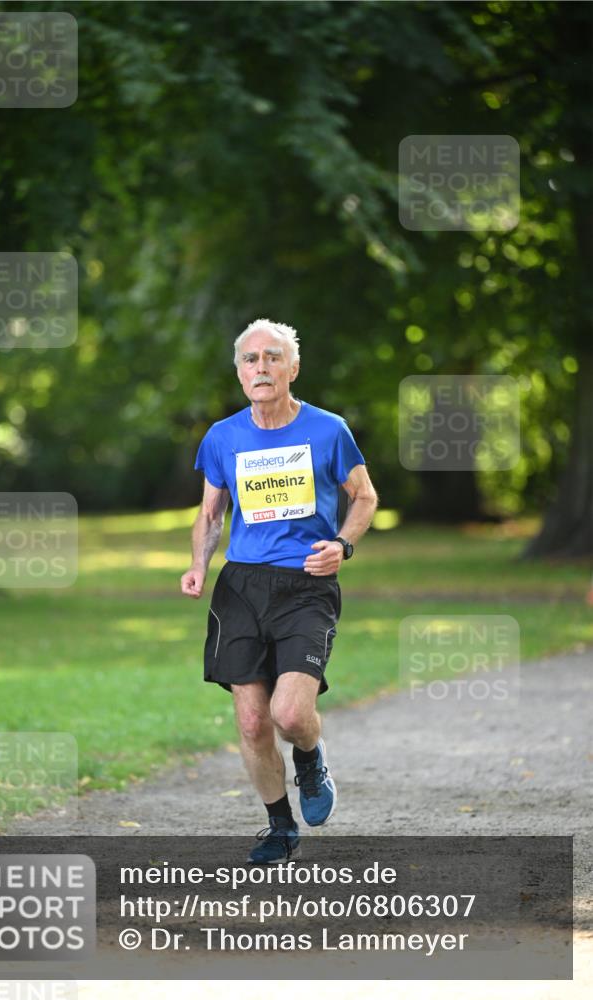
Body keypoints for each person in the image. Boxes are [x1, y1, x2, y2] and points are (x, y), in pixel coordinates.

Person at [181, 319, 378, 863]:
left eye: (272, 357)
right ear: (240, 373)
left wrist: (343, 544)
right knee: (250, 719)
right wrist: (198, 564)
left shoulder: (328, 429)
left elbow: (364, 497)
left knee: (290, 715)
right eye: (250, 359)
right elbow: (210, 511)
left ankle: (310, 758)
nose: (261, 367)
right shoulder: (222, 437)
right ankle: (279, 826)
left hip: (307, 584)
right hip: (241, 586)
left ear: (293, 368)